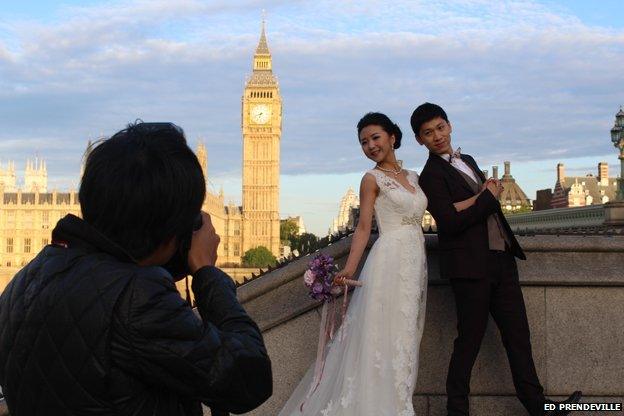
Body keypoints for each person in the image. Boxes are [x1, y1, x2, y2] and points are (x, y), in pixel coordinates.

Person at [0, 122, 272, 416]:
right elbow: (249, 379)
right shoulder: (138, 300)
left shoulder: (27, 279)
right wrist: (206, 273)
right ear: (172, 230)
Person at [411, 102, 581, 416]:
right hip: (469, 267)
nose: (437, 136)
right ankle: (457, 409)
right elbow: (448, 222)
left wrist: (483, 199)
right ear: (420, 140)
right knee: (469, 341)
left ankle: (538, 406)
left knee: (518, 335)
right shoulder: (430, 176)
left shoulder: (469, 160)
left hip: (501, 260)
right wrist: (488, 197)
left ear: (449, 126)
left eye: (440, 127)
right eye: (427, 133)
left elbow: (474, 207)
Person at [279, 112, 428, 415]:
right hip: (388, 261)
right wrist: (349, 268)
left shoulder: (413, 176)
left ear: (392, 137)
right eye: (364, 142)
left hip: (414, 265)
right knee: (381, 337)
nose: (370, 145)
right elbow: (363, 228)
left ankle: (399, 403)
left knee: (404, 338)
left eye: (375, 137)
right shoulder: (371, 179)